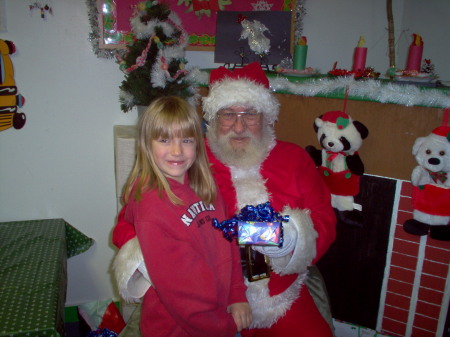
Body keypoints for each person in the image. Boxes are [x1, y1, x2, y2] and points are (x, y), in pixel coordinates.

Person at [113, 63, 336, 337]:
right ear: (212, 119)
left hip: (280, 296)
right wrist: (155, 261)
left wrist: (290, 240)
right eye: (228, 114)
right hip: (211, 296)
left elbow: (324, 219)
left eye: (250, 113)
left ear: (267, 116)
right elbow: (129, 224)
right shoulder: (188, 160)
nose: (239, 125)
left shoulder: (294, 159)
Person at [112, 96, 252, 337]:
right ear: (147, 144)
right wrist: (222, 328)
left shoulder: (207, 187)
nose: (177, 151)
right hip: (179, 327)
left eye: (186, 140)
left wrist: (236, 294)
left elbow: (227, 244)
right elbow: (181, 294)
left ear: (197, 144)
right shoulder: (152, 206)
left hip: (218, 313)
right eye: (165, 140)